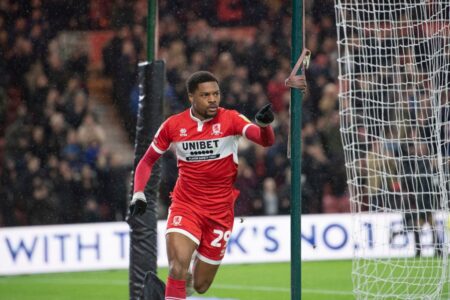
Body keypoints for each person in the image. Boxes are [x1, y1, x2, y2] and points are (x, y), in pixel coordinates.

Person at [129, 71, 277, 299]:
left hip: (220, 212)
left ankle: (179, 284)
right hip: (186, 205)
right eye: (205, 95)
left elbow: (264, 140)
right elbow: (147, 161)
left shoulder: (231, 119)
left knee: (200, 285)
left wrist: (265, 125)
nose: (213, 99)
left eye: (216, 94)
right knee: (177, 266)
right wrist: (138, 193)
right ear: (191, 97)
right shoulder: (173, 125)